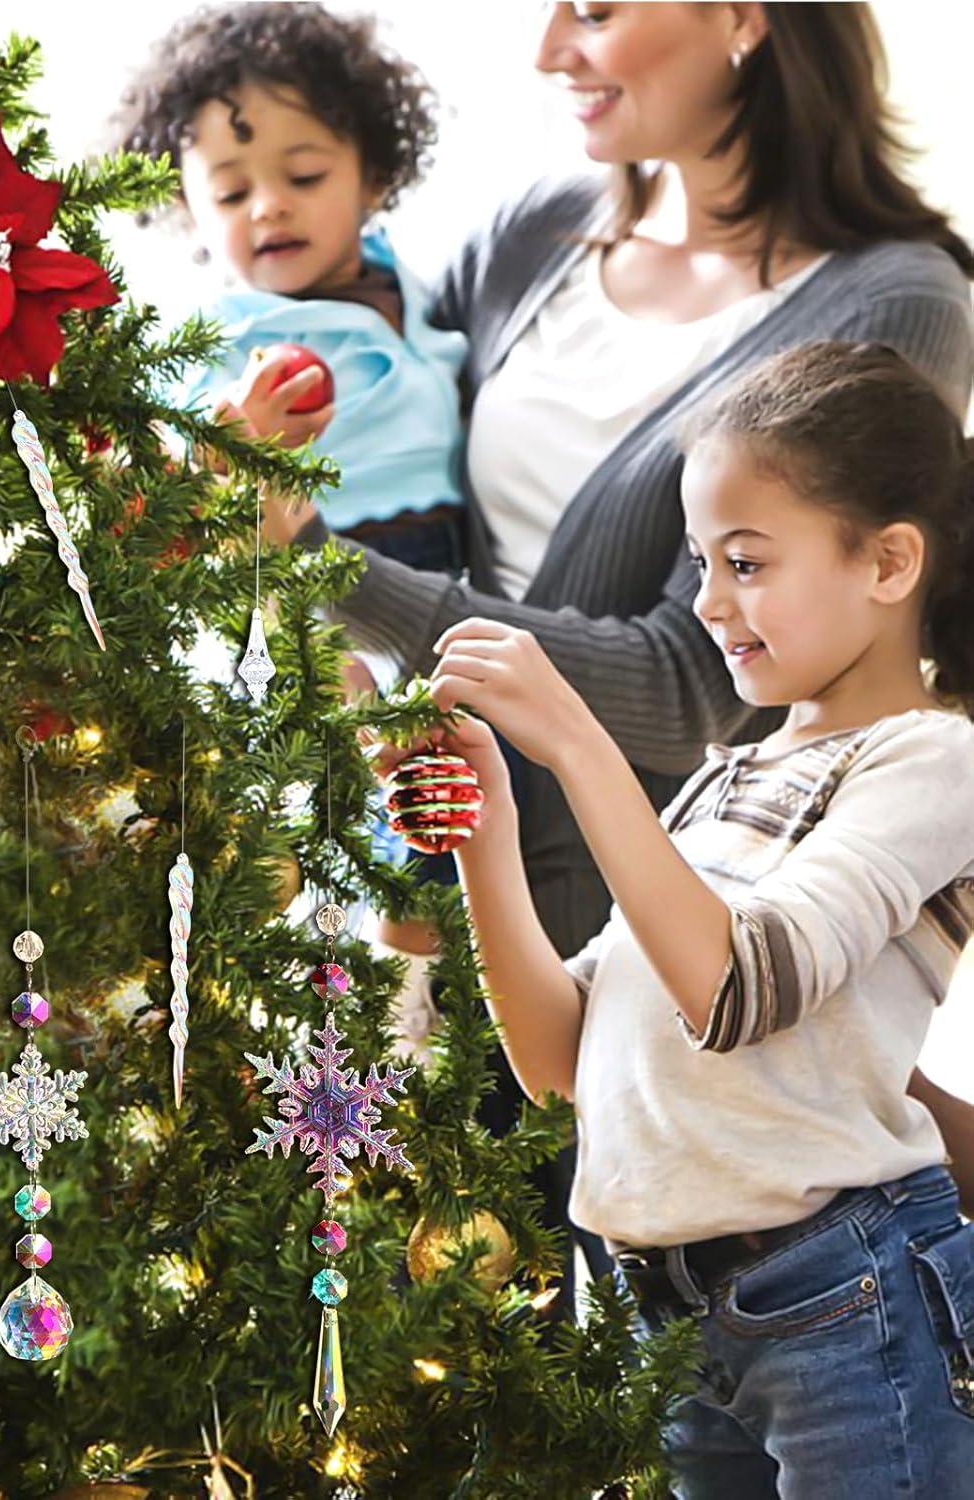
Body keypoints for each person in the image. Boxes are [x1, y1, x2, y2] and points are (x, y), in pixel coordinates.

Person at [254, 2, 974, 1306]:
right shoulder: (530, 233)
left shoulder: (896, 301)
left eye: (594, 8)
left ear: (745, 18)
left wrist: (321, 564)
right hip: (445, 874)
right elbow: (401, 442)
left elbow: (697, 687)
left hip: (635, 908)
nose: (548, 50)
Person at [421, 340, 974, 1495]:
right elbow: (563, 1065)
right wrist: (487, 831)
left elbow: (739, 986)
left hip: (844, 1294)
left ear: (889, 561)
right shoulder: (719, 780)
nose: (711, 603)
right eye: (699, 563)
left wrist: (575, 738)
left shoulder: (933, 758)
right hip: (662, 1312)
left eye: (746, 562)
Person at [115, 3, 469, 583]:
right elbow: (173, 478)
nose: (269, 206)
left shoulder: (408, 284)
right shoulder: (224, 333)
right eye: (231, 194)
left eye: (304, 177)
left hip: (448, 564)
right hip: (317, 566)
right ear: (188, 208)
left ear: (373, 177)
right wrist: (234, 437)